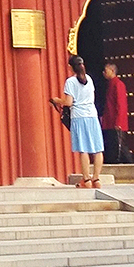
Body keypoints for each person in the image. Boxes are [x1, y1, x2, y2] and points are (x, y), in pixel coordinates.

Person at [52, 55, 105, 187]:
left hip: (79, 117)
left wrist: (57, 100)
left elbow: (69, 102)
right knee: (97, 149)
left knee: (84, 149)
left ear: (71, 67)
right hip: (92, 115)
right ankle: (96, 179)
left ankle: (86, 179)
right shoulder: (89, 79)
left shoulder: (71, 82)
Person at [99, 61, 130, 164]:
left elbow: (121, 105)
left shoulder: (118, 84)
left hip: (116, 122)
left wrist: (119, 122)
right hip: (109, 121)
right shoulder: (110, 84)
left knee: (120, 146)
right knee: (112, 145)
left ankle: (130, 164)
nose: (104, 72)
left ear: (112, 71)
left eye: (106, 70)